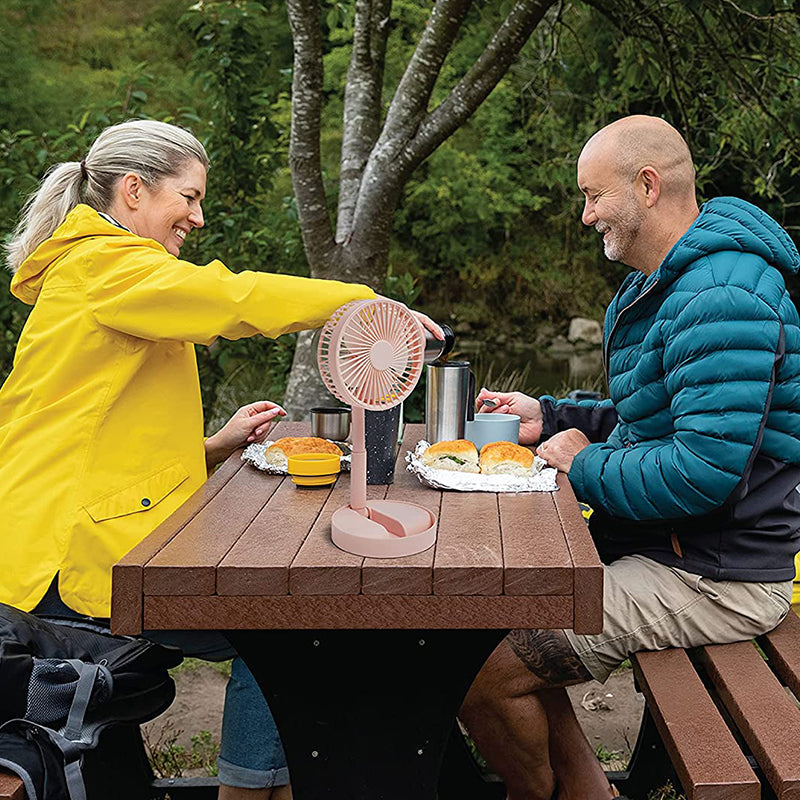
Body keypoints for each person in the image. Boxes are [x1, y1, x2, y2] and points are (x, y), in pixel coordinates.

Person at [0, 119, 442, 800]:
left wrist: (208, 448)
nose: (198, 217)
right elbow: (232, 297)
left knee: (285, 623)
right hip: (68, 560)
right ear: (135, 190)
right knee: (284, 629)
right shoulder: (105, 265)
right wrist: (361, 303)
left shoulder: (103, 273)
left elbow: (84, 428)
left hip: (57, 535)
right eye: (190, 196)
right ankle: (254, 791)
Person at [460, 115, 800, 800]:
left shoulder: (719, 297)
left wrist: (583, 463)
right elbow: (655, 418)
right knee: (491, 620)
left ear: (646, 186)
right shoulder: (670, 282)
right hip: (676, 549)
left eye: (594, 195)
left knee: (483, 673)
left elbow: (701, 472)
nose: (586, 215)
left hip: (716, 575)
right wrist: (550, 417)